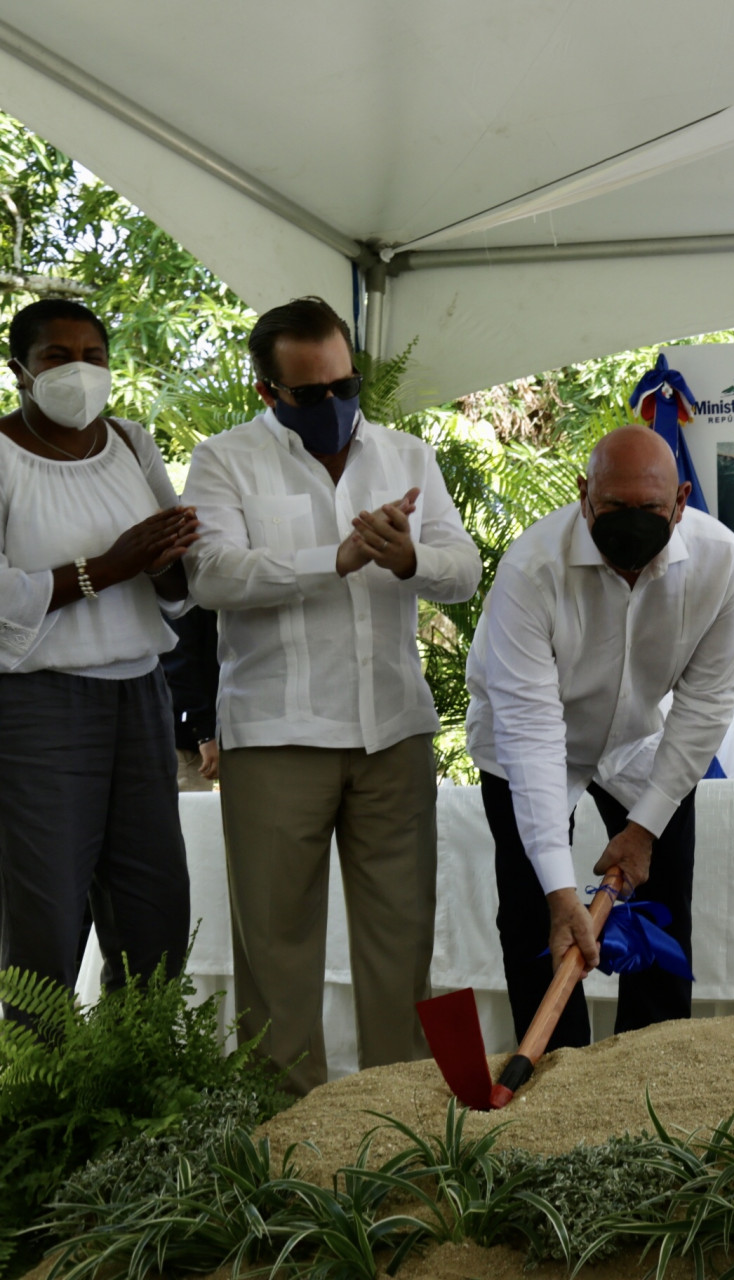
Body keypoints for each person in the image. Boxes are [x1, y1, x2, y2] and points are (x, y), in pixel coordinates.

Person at [183, 296, 480, 1093]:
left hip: (394, 731)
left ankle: (403, 1122)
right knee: (276, 954)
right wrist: (334, 559)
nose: (335, 403)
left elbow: (464, 569)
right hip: (277, 736)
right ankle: (288, 1138)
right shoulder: (224, 460)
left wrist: (410, 558)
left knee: (402, 943)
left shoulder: (407, 455)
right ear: (267, 391)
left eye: (346, 386)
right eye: (311, 393)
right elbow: (211, 576)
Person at [467, 425, 734, 1043]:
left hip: (638, 742)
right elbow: (533, 734)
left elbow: (705, 705)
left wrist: (643, 830)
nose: (632, 524)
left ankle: (651, 1061)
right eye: (614, 506)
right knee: (535, 909)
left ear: (681, 500)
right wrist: (561, 891)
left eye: (650, 508)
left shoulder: (720, 561)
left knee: (662, 899)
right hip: (525, 743)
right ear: (583, 494)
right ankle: (555, 1071)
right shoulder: (531, 570)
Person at [0, 299, 195, 1003]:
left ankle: (137, 1062)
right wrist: (106, 568)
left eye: (94, 357)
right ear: (20, 370)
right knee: (46, 913)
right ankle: (40, 1067)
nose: (79, 372)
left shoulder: (132, 443)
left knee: (154, 909)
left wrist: (165, 561)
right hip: (39, 704)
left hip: (142, 694)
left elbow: (177, 585)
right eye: (57, 357)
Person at [162, 606, 220, 791]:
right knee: (189, 806)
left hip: (179, 733)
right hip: (185, 741)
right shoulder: (181, 605)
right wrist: (204, 734)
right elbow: (181, 668)